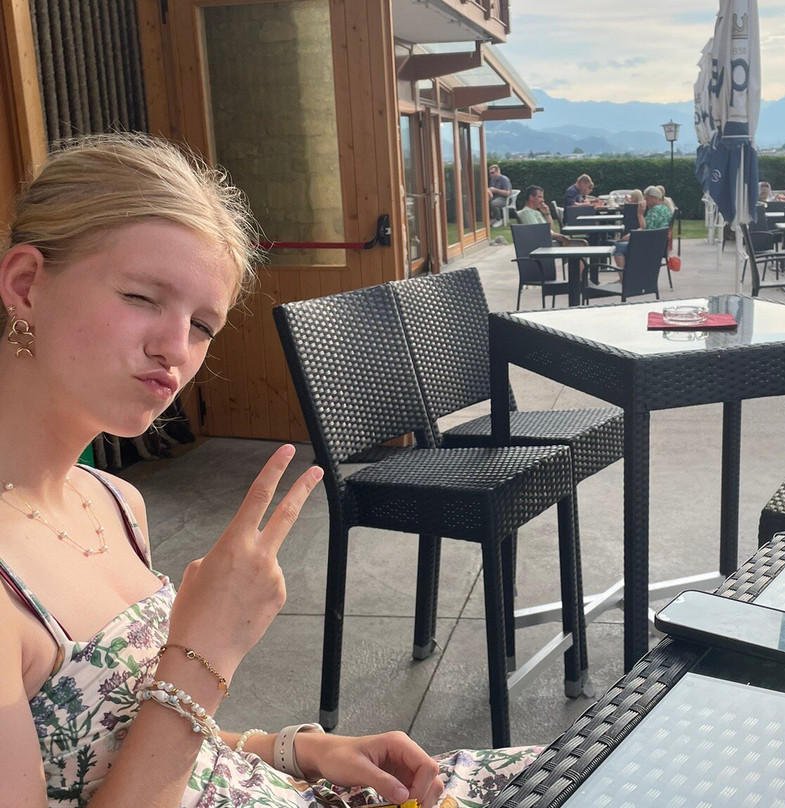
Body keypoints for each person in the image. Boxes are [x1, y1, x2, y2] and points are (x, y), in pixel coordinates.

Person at [0, 133, 538, 808]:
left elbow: (140, 745)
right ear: (26, 285)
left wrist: (303, 750)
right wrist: (204, 653)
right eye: (141, 297)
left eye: (203, 325)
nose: (175, 348)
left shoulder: (112, 500)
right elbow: (175, 708)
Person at [612, 185, 671, 268]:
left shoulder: (655, 211)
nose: (645, 201)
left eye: (646, 199)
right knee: (623, 243)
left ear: (653, 198)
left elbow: (645, 229)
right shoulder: (665, 209)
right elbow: (649, 228)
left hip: (648, 245)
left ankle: (624, 275)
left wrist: (640, 214)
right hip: (660, 245)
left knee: (619, 247)